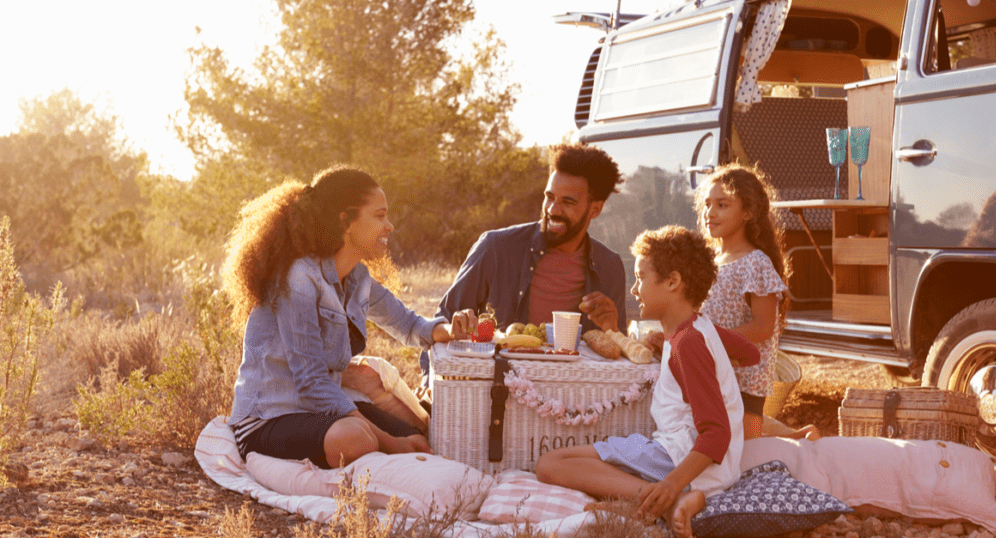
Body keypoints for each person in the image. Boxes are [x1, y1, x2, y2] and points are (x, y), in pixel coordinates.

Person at [221, 165, 477, 469]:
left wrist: (453, 328)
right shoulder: (299, 278)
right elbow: (311, 381)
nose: (390, 226)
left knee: (417, 435)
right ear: (346, 221)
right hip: (268, 417)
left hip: (317, 412)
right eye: (380, 216)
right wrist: (391, 444)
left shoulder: (358, 278)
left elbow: (409, 325)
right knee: (359, 440)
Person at [535, 225, 759, 538]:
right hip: (694, 460)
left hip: (681, 461)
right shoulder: (696, 330)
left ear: (673, 281)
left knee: (550, 464)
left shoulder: (688, 344)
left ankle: (663, 503)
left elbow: (716, 434)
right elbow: (749, 354)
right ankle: (641, 502)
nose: (634, 289)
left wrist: (670, 486)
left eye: (641, 277)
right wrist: (678, 348)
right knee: (578, 464)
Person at [427, 143, 627, 372]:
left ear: (595, 210)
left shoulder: (610, 267)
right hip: (498, 389)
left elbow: (618, 357)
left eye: (568, 202)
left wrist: (612, 329)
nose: (553, 209)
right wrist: (430, 386)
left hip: (572, 393)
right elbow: (440, 322)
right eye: (549, 197)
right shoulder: (495, 247)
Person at [695, 163, 819, 441]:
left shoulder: (756, 264)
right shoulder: (711, 262)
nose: (710, 213)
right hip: (714, 370)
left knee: (748, 452)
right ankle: (798, 436)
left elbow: (763, 327)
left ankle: (798, 442)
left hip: (744, 378)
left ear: (748, 212)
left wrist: (708, 339)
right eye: (707, 204)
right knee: (722, 439)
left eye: (722, 205)